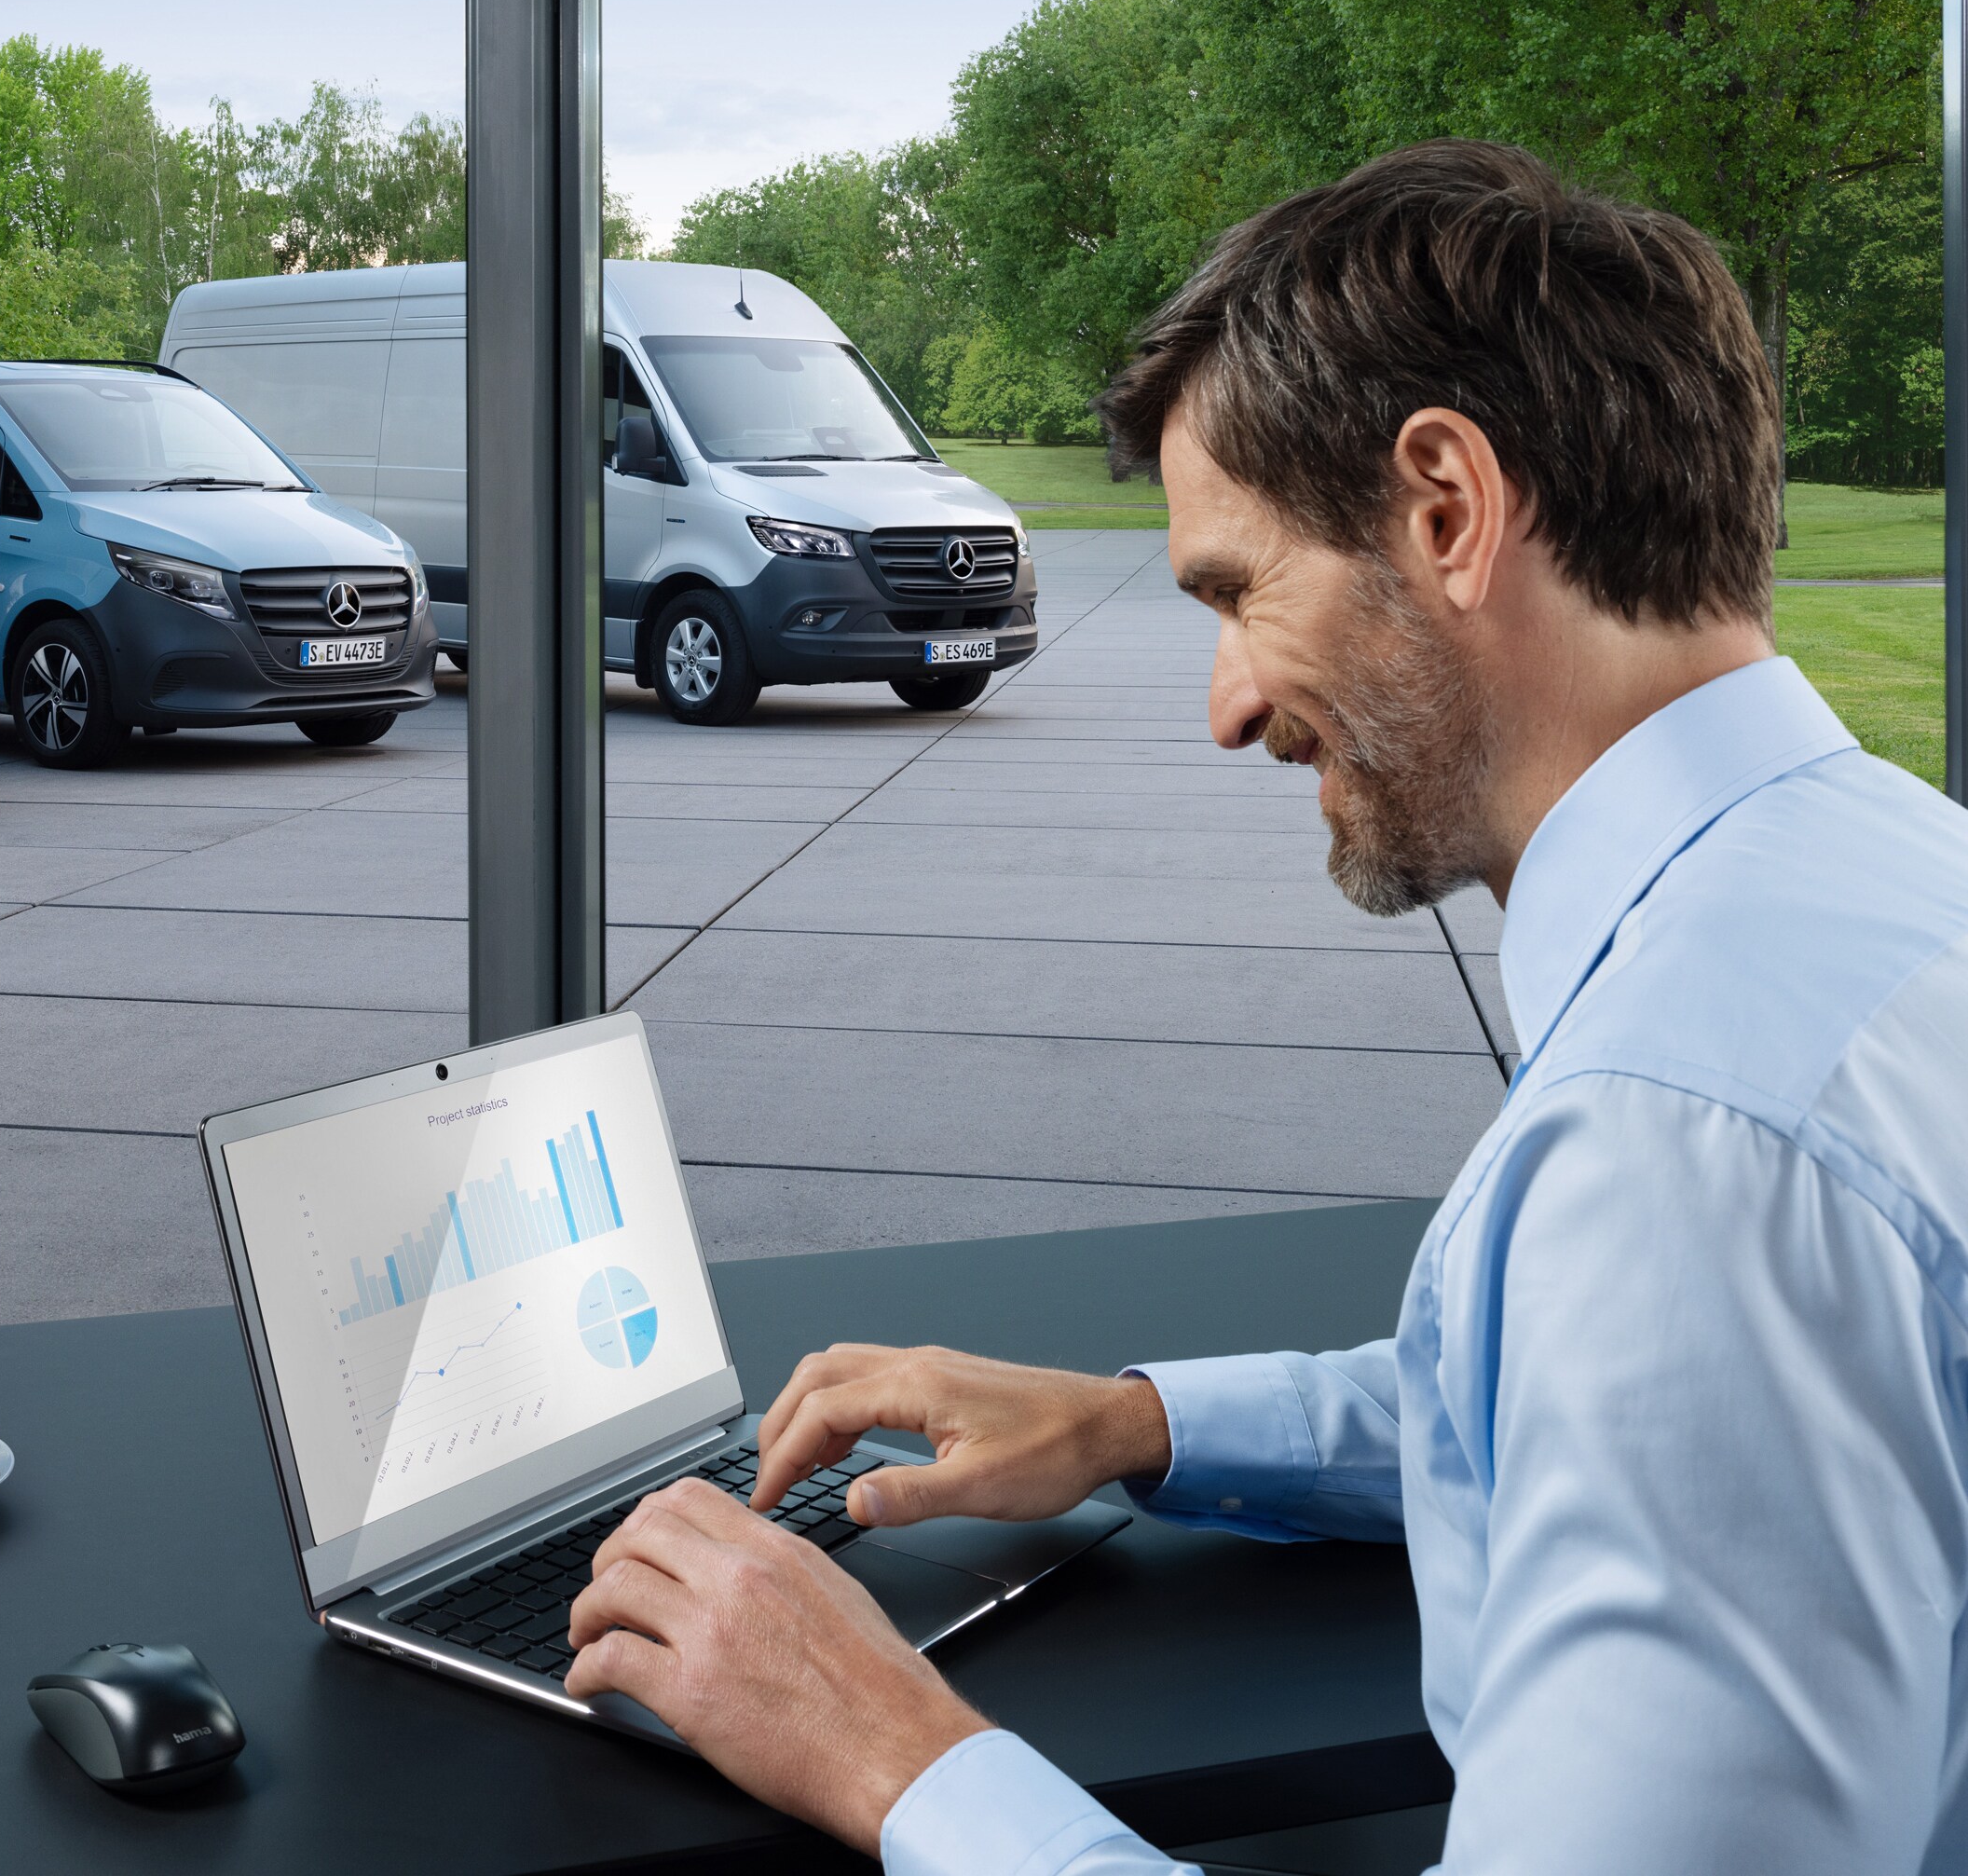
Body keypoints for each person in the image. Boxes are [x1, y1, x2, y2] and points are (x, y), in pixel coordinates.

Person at [563, 142, 1968, 1873]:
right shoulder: (1891, 883)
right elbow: (1624, 1434)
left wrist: (881, 1748)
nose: (1227, 706)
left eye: (1240, 592)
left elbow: (1684, 1347)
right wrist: (1135, 1427)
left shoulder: (1682, 1158)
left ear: (1446, 510)